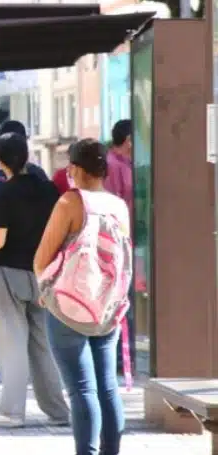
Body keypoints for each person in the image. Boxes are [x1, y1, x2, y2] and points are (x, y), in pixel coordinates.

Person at [35, 139, 131, 455]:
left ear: (75, 168)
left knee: (81, 390)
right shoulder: (118, 205)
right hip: (107, 308)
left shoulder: (70, 203)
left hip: (69, 306)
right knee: (107, 386)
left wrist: (45, 291)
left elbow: (42, 259)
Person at [0, 132, 70, 428]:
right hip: (44, 273)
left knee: (12, 341)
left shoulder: (5, 193)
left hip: (9, 271)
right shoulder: (47, 190)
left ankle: (11, 412)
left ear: (1, 161)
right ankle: (58, 410)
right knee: (44, 343)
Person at [0, 120, 50, 379]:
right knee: (40, 324)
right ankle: (52, 395)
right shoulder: (40, 178)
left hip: (1, 255)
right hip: (36, 259)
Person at [106, 119, 135, 376]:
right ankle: (120, 357)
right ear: (128, 141)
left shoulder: (126, 164)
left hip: (129, 241)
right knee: (123, 301)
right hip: (119, 243)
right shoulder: (114, 166)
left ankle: (124, 357)